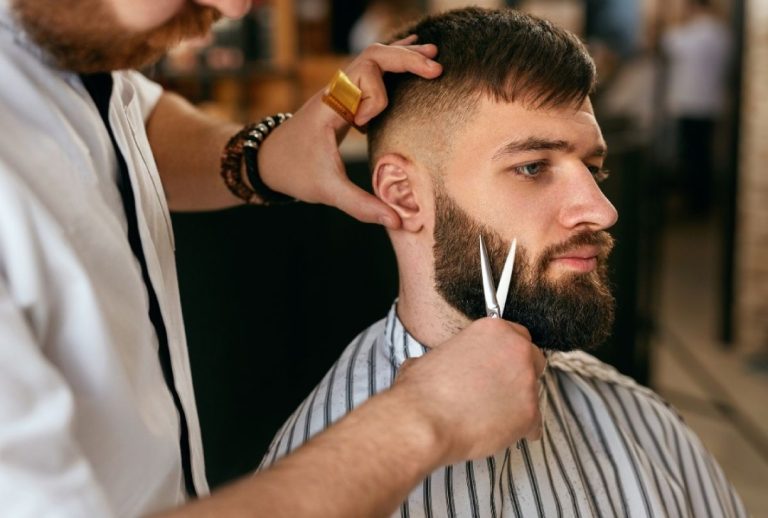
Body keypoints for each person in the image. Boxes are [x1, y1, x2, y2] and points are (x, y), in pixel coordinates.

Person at [0, 0, 549, 516]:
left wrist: (266, 154)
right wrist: (425, 419)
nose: (236, 7)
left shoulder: (60, 37)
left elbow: (122, 117)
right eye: (533, 166)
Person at [260, 7, 747, 517]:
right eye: (532, 167)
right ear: (404, 196)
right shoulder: (320, 479)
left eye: (594, 170)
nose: (602, 212)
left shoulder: (642, 421)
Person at [661, 0, 731, 215]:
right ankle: (701, 202)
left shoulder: (691, 33)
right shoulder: (722, 34)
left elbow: (666, 43)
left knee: (691, 156)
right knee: (703, 155)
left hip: (689, 103)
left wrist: (672, 19)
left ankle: (694, 205)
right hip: (710, 103)